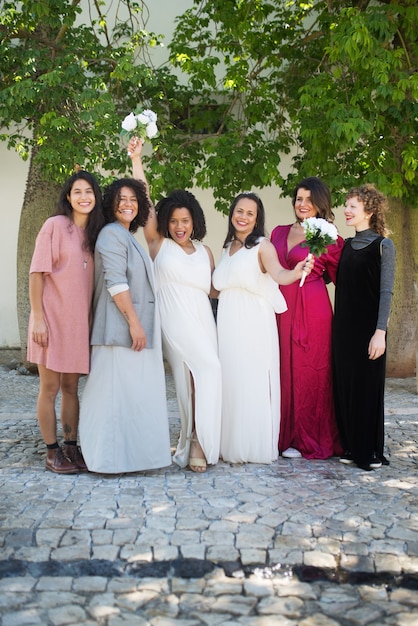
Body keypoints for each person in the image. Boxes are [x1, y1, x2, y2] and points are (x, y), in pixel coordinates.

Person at [129, 137, 222, 473]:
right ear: (166, 222)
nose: (180, 227)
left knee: (200, 376)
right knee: (198, 373)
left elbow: (215, 293)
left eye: (186, 221)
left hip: (203, 322)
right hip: (173, 320)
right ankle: (195, 440)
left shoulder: (206, 252)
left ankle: (197, 437)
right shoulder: (158, 244)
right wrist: (137, 160)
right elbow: (146, 199)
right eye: (174, 221)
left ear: (194, 221)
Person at [79, 176, 171, 473]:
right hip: (118, 331)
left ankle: (129, 458)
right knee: (110, 398)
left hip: (132, 329)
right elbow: (116, 283)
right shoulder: (111, 234)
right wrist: (135, 324)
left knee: (131, 397)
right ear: (110, 204)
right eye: (122, 199)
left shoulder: (128, 235)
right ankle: (105, 459)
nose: (128, 204)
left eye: (133, 199)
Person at [212, 192, 313, 464]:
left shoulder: (263, 246)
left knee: (251, 380)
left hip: (253, 321)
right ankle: (230, 443)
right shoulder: (227, 247)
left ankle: (251, 446)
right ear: (232, 213)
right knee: (231, 380)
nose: (243, 217)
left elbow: (279, 274)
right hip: (228, 322)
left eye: (250, 213)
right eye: (239, 211)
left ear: (257, 219)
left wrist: (298, 271)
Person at [28, 170, 104, 474]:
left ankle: (72, 447)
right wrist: (37, 317)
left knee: (72, 387)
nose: (84, 197)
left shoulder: (96, 233)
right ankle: (52, 452)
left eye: (89, 191)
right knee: (49, 387)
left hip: (79, 323)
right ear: (68, 197)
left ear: (96, 197)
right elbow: (37, 273)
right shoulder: (54, 226)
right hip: (50, 319)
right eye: (77, 192)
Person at [270, 177, 344, 460]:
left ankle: (308, 437)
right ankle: (282, 435)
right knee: (281, 370)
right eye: (299, 199)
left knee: (310, 371)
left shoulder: (329, 237)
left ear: (320, 204)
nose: (303, 205)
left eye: (309, 200)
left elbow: (344, 278)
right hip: (279, 309)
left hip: (313, 310)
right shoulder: (277, 233)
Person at [332, 184, 395, 471]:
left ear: (368, 211)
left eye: (352, 206)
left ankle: (368, 450)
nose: (346, 210)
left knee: (367, 389)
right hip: (343, 331)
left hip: (370, 332)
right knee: (345, 387)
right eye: (346, 205)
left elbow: (386, 292)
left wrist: (380, 332)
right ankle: (350, 445)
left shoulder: (384, 245)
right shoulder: (345, 245)